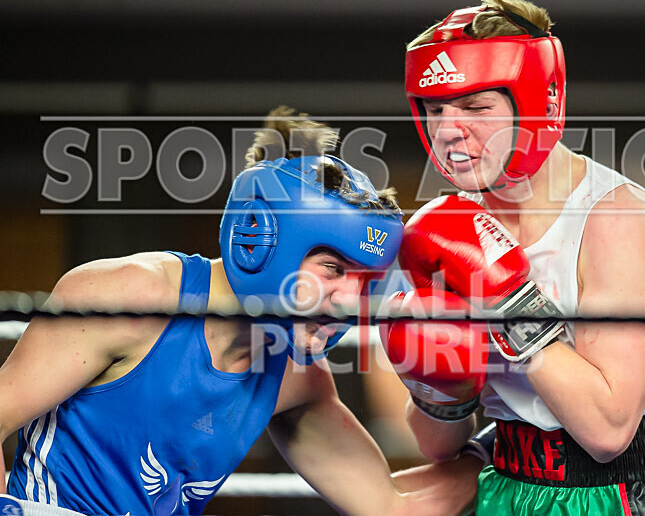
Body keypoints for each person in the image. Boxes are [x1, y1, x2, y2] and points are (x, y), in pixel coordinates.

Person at [0, 108, 481, 516]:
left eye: (363, 281)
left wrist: (514, 448)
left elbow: (389, 506)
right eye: (332, 268)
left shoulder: (296, 379)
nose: (347, 300)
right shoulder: (131, 297)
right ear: (261, 241)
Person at [382, 0, 645, 514]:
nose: (447, 131)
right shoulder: (451, 230)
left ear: (538, 102)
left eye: (475, 108)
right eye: (436, 109)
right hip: (504, 485)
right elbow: (438, 446)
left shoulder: (616, 219)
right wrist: (435, 381)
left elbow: (608, 429)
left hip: (611, 496)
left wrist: (507, 300)